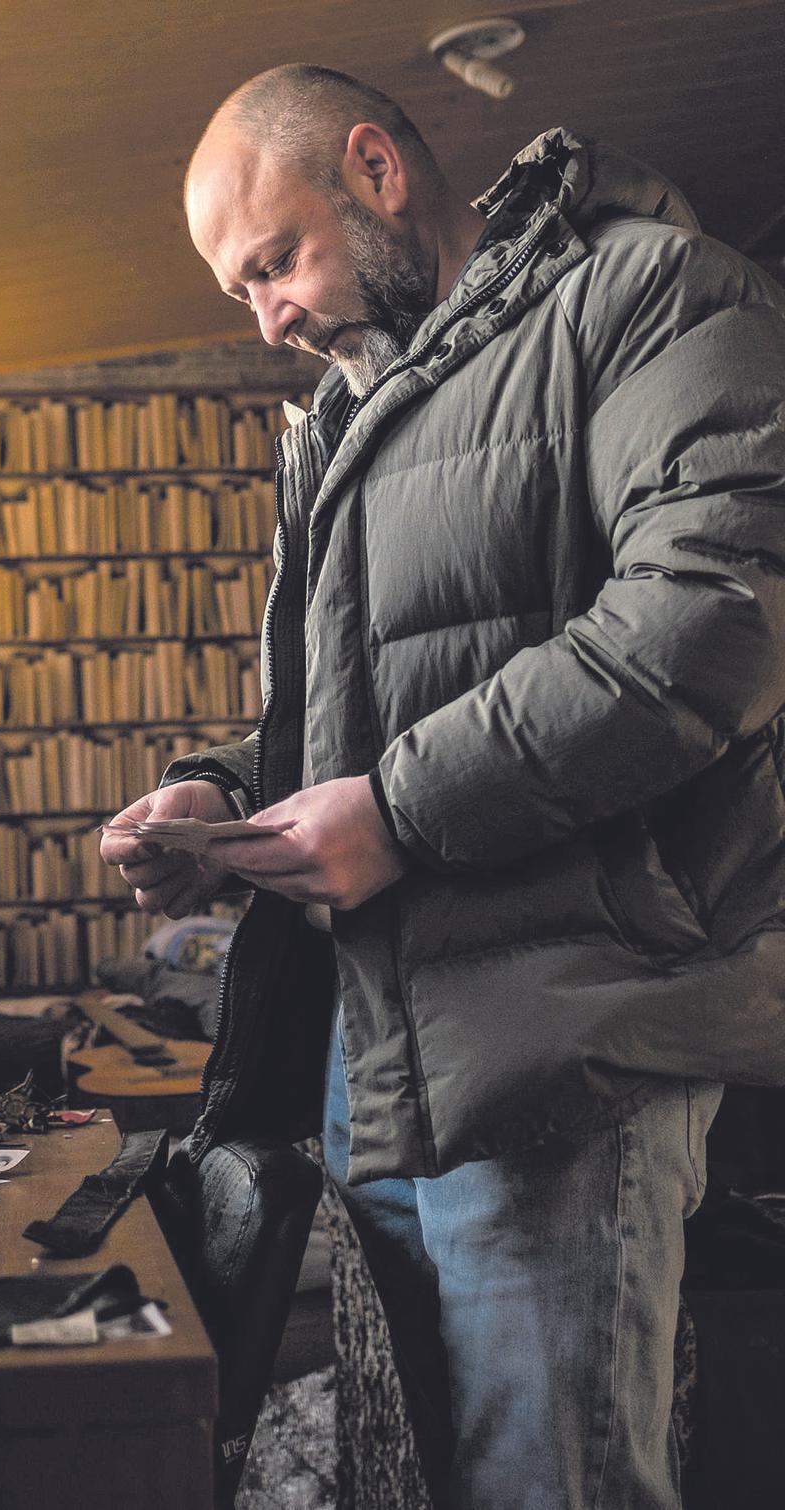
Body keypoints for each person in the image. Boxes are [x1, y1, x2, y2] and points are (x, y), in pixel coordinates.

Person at [100, 62, 785, 1510]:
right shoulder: (345, 422)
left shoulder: (654, 294)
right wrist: (219, 799)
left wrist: (402, 814)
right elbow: (340, 720)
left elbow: (714, 619)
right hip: (376, 1077)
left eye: (276, 260)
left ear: (375, 168)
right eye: (241, 293)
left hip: (567, 1050)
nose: (271, 316)